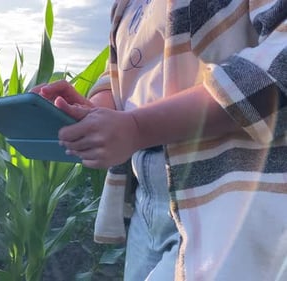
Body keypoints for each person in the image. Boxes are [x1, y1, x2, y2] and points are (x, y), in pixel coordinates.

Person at [32, 0, 287, 280]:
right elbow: (120, 72)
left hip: (229, 192)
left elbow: (280, 62)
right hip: (147, 194)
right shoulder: (124, 5)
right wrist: (92, 113)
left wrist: (138, 128)